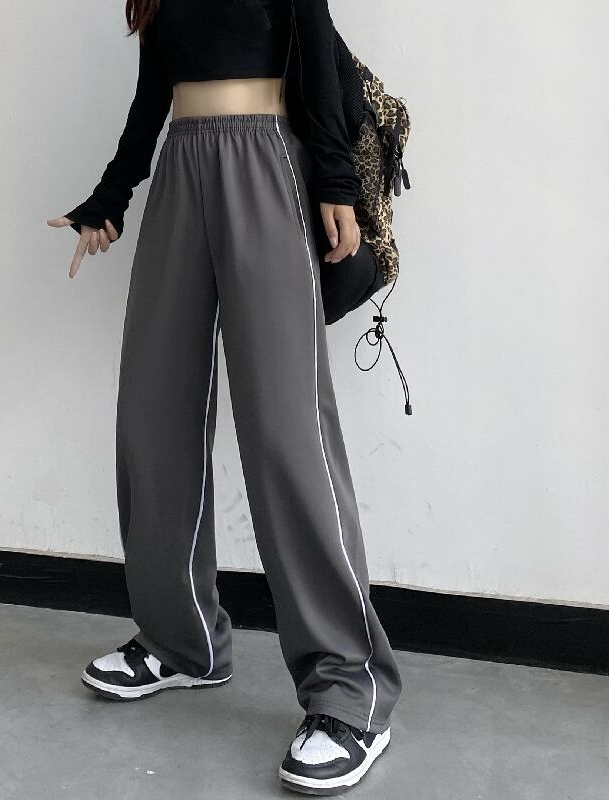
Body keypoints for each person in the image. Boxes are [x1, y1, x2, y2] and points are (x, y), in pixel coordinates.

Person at [47, 1, 402, 794]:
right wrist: (111, 197)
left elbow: (316, 56)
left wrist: (336, 180)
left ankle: (350, 689)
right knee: (153, 414)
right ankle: (184, 643)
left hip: (267, 162)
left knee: (285, 430)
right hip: (182, 169)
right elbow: (154, 93)